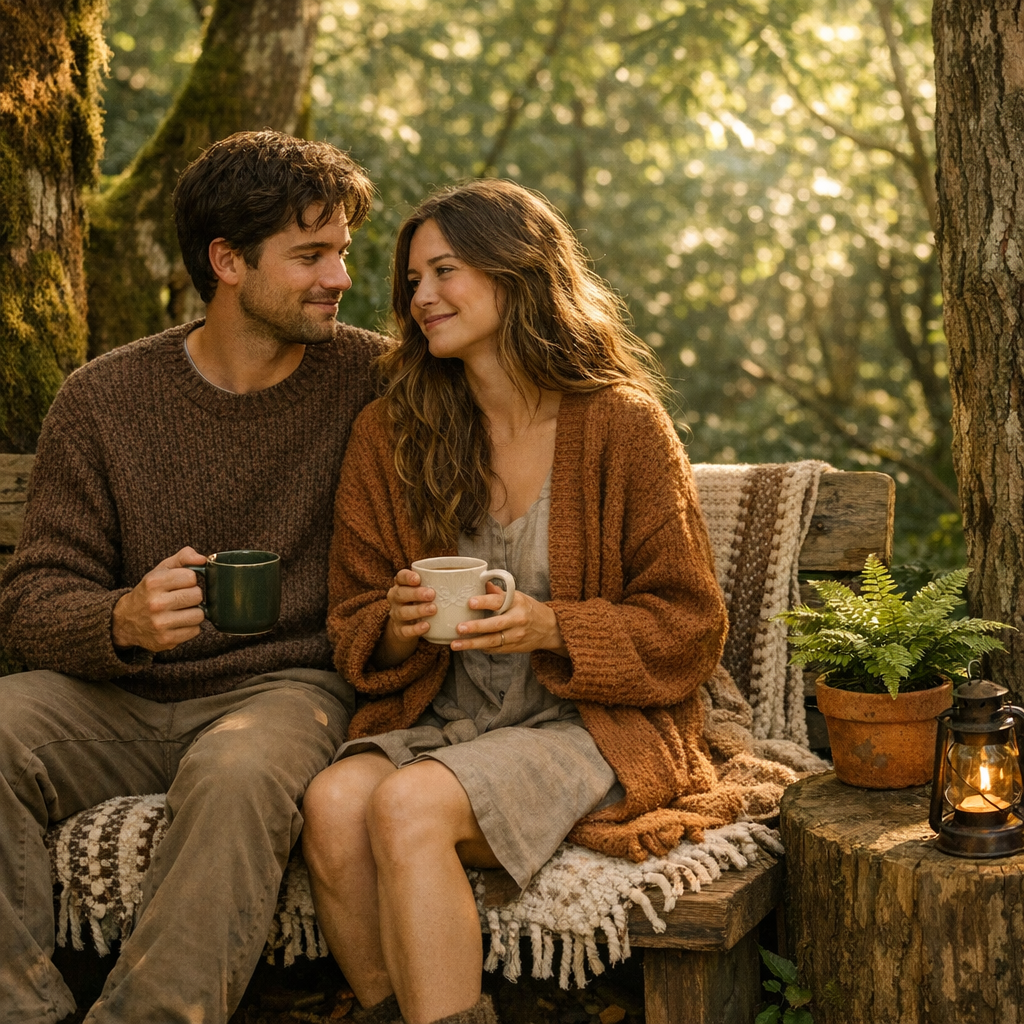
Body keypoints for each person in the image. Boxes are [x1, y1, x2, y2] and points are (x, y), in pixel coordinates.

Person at [302, 179, 735, 1024]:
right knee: (332, 804)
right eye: (413, 281)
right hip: (448, 713)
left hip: (589, 723)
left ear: (518, 272)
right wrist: (394, 627)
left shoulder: (622, 426)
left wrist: (551, 625)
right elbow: (353, 618)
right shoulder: (388, 436)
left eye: (446, 271)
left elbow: (690, 625)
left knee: (407, 804)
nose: (422, 297)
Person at [0, 130, 390, 1023]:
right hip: (123, 696)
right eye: (311, 255)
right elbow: (29, 600)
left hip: (291, 687)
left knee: (240, 772)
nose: (340, 278)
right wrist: (123, 620)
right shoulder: (105, 399)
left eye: (343, 253)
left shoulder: (373, 378)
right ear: (227, 262)